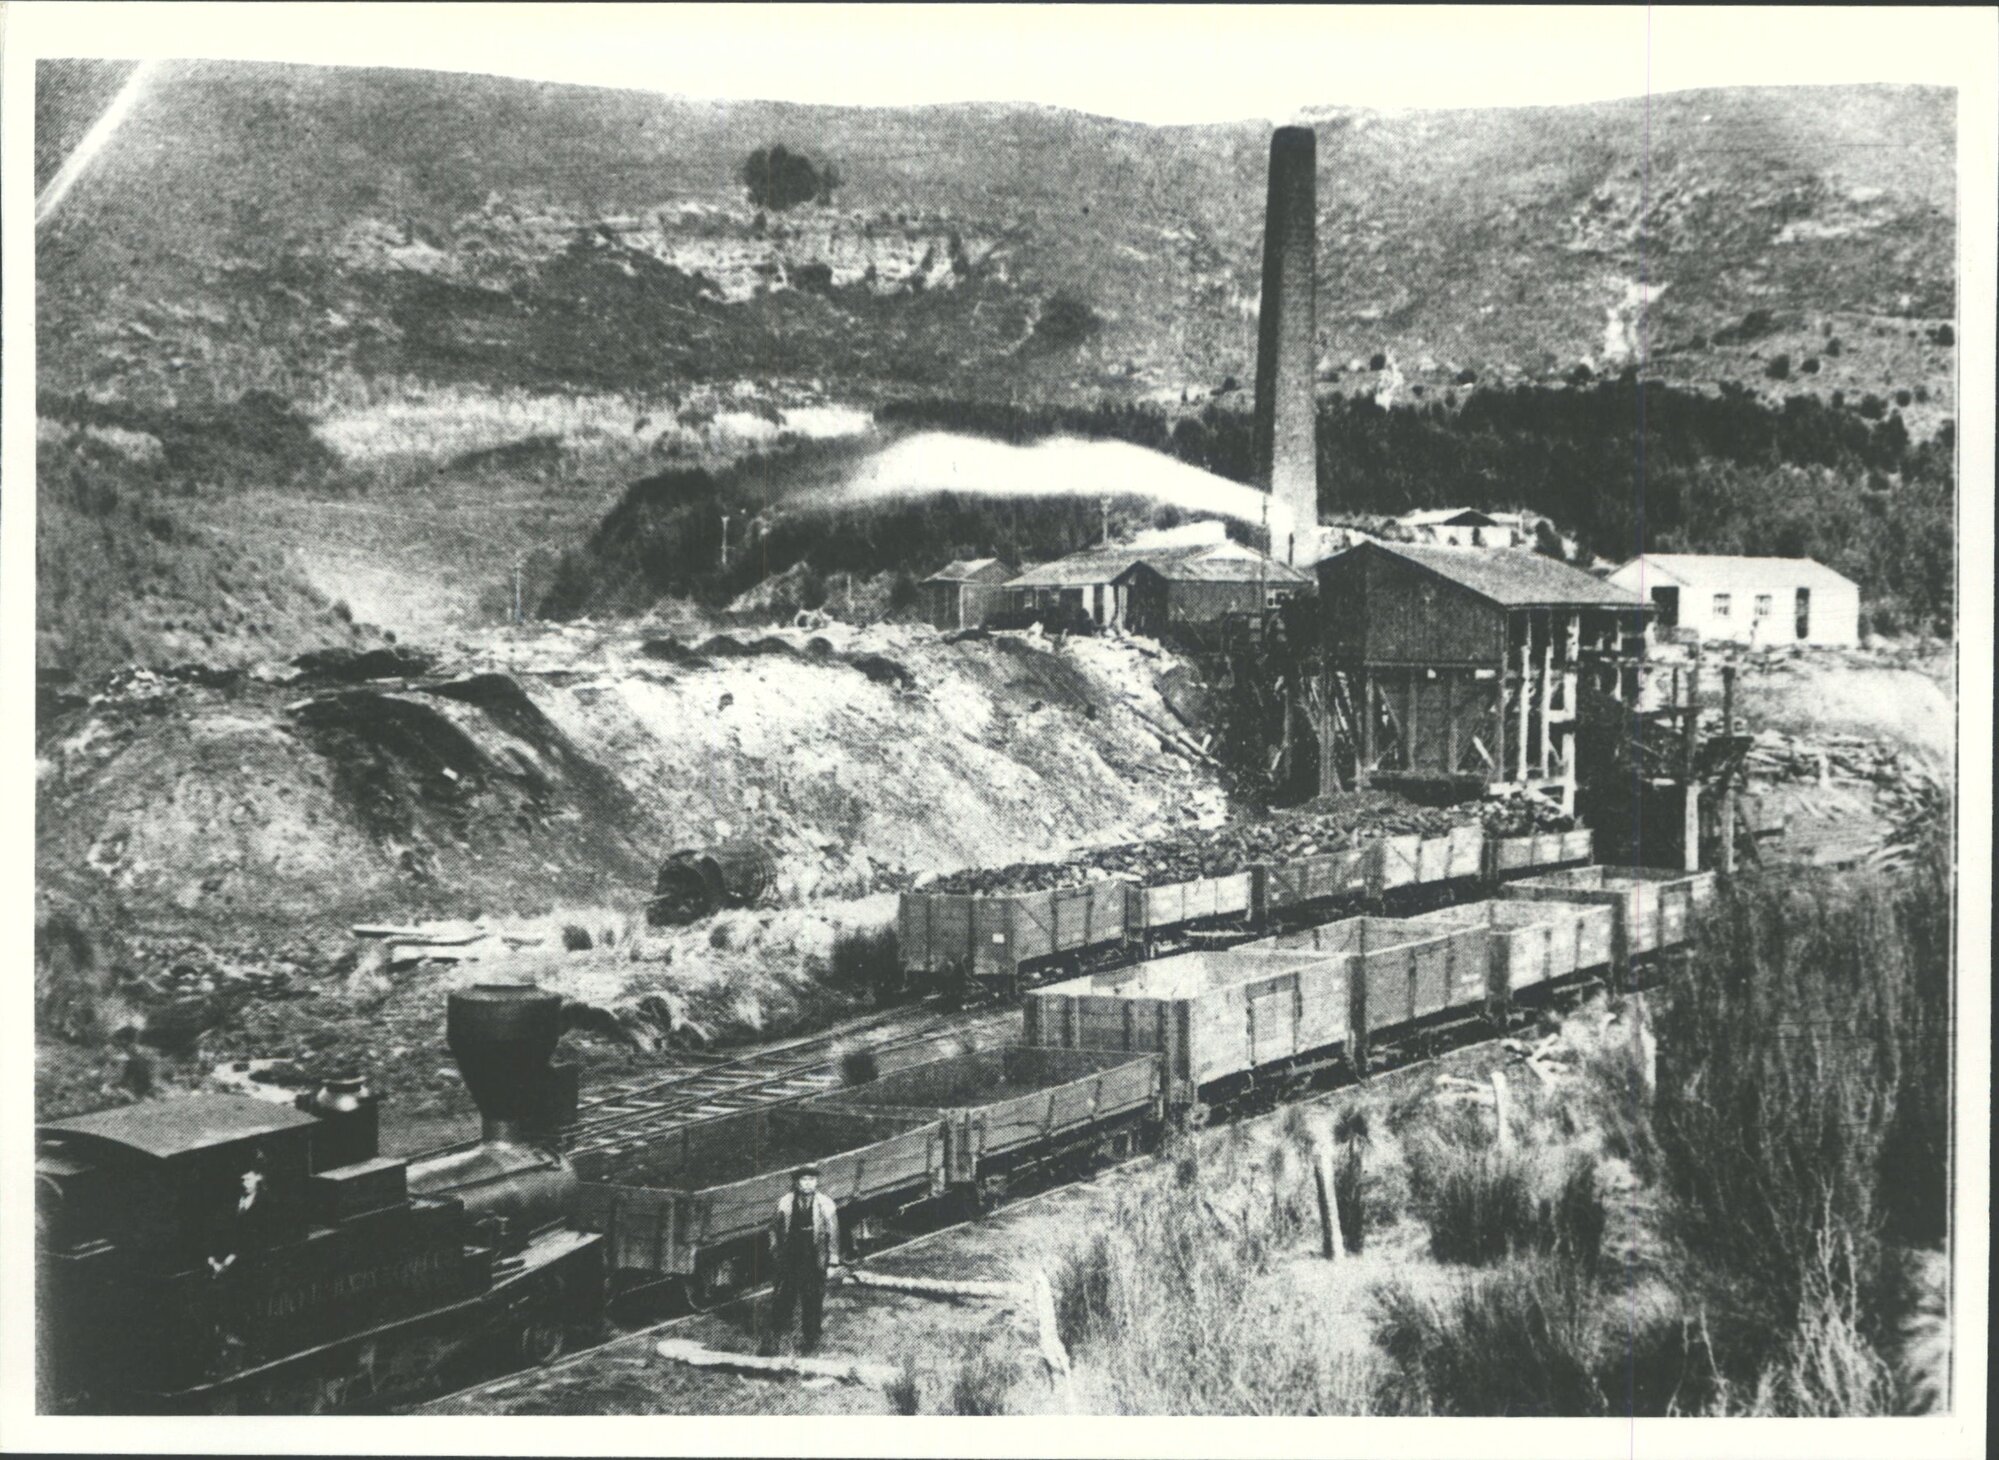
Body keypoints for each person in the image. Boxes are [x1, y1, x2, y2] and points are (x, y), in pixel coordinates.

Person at [759, 1164, 840, 1356]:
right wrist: (775, 1251)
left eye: (811, 1180)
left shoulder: (825, 1203)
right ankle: (776, 1340)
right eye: (803, 1180)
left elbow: (833, 1233)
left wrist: (832, 1262)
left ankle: (811, 1342)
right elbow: (773, 1228)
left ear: (816, 1182)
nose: (807, 1184)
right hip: (791, 1258)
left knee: (812, 1300)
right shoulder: (785, 1203)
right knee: (783, 1299)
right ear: (796, 1182)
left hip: (814, 1258)